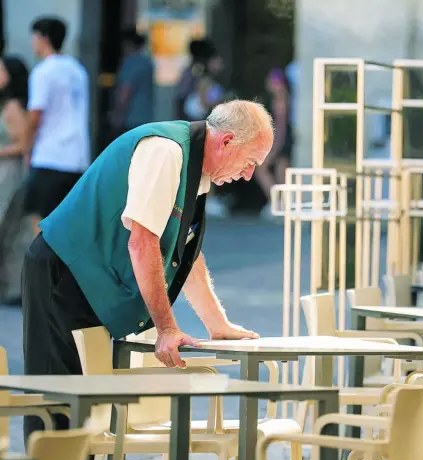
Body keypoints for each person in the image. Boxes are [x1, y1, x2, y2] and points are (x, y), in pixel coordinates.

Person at [22, 99, 274, 439]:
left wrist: (218, 324)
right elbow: (142, 243)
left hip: (91, 281)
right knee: (58, 410)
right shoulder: (167, 152)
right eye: (249, 162)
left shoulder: (197, 169)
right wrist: (167, 329)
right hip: (62, 270)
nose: (248, 175)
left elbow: (187, 256)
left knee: (91, 414)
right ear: (226, 141)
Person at [24, 16, 91, 234]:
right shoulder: (77, 70)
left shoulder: (43, 71)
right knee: (67, 223)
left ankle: (41, 268)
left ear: (42, 38)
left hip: (50, 156)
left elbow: (35, 116)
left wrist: (27, 149)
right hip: (78, 159)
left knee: (39, 221)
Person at [174, 39, 230, 218]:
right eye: (217, 59)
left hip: (199, 123)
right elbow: (205, 101)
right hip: (201, 124)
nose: (220, 63)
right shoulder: (204, 80)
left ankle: (202, 199)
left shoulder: (193, 75)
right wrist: (223, 103)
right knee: (205, 163)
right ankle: (208, 200)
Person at [0, 56, 33, 304]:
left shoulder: (12, 106)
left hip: (8, 174)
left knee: (8, 228)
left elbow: (23, 144)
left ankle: (11, 288)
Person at [255, 68, 293, 216]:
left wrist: (274, 149)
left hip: (280, 142)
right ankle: (280, 204)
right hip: (282, 141)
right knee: (279, 174)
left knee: (263, 170)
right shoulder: (282, 97)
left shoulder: (280, 100)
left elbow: (281, 127)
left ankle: (277, 203)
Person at [110, 27, 155, 137]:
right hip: (145, 116)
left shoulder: (130, 63)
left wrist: (117, 113)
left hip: (130, 117)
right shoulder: (147, 62)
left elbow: (125, 91)